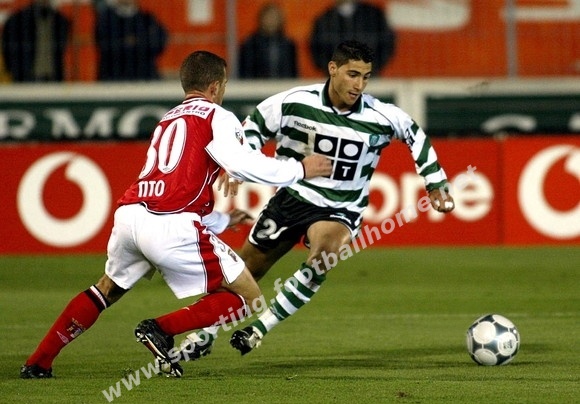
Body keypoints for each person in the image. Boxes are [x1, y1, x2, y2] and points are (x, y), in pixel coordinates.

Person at [19, 50, 333, 379]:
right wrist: (300, 169)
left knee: (106, 290)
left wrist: (222, 220)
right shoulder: (217, 116)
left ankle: (38, 363)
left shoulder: (167, 119)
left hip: (131, 216)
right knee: (248, 297)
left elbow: (172, 185)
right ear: (215, 86)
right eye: (224, 85)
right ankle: (160, 329)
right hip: (170, 225)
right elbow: (242, 164)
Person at [169, 40, 454, 364]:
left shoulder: (381, 115)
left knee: (323, 257)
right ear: (333, 69)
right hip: (292, 199)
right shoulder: (294, 102)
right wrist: (236, 165)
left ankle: (259, 328)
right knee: (244, 271)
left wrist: (435, 182)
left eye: (365, 77)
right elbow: (254, 127)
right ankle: (203, 335)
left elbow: (415, 135)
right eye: (352, 74)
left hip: (340, 208)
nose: (359, 85)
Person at [309, 0, 396, 74]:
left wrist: (371, 69)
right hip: (337, 80)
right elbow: (317, 50)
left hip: (371, 79)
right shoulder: (324, 20)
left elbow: (386, 44)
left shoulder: (374, 16)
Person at [95, 0, 168, 80]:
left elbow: (158, 43)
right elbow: (108, 47)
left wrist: (131, 43)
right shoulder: (106, 19)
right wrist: (141, 43)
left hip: (145, 77)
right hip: (114, 78)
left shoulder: (147, 18)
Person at [1, 0, 70, 82]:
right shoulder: (18, 20)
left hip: (54, 78)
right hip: (25, 78)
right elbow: (8, 49)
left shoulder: (61, 21)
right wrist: (15, 71)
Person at [238, 3, 297, 79]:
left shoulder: (288, 44)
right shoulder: (250, 44)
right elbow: (245, 72)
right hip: (256, 85)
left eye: (275, 18)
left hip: (284, 84)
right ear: (261, 19)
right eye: (269, 17)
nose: (271, 21)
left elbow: (293, 72)